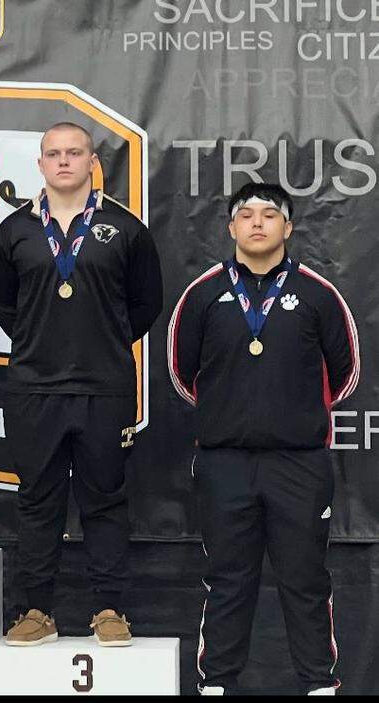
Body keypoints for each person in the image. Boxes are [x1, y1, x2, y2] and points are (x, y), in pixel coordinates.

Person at [168, 182, 357, 695]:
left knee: (306, 580)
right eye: (245, 214)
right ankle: (217, 684)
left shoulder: (318, 293)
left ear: (288, 228)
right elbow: (184, 374)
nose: (257, 222)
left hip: (299, 464)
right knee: (228, 580)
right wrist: (231, 416)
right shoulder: (203, 293)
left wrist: (291, 416)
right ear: (230, 228)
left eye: (269, 214)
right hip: (224, 462)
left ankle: (319, 684)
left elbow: (345, 375)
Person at [0, 122, 163, 646]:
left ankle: (110, 609)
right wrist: (43, 339)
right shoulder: (14, 231)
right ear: (39, 165)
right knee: (37, 502)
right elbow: (4, 305)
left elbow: (144, 305)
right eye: (53, 154)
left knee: (104, 502)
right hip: (33, 388)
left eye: (74, 153)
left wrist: (101, 341)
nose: (63, 161)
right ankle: (36, 611)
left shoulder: (125, 229)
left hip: (103, 387)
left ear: (92, 162)